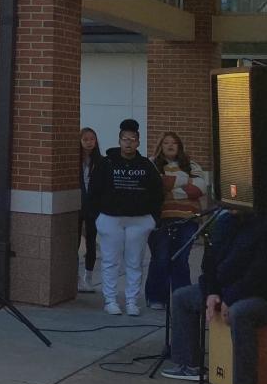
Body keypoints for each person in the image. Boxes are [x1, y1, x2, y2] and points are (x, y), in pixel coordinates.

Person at [161, 207, 267, 384]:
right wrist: (212, 292)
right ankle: (189, 364)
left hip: (259, 295)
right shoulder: (224, 223)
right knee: (181, 297)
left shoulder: (266, 226)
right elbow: (209, 264)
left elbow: (259, 273)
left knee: (239, 313)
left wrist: (229, 297)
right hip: (223, 289)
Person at [89, 118, 163, 316]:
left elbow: (157, 192)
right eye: (125, 139)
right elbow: (94, 191)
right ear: (119, 140)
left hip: (139, 220)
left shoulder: (146, 166)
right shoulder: (107, 163)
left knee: (134, 262)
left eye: (132, 139)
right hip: (110, 218)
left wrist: (153, 218)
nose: (128, 143)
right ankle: (110, 300)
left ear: (138, 142)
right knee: (110, 261)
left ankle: (131, 301)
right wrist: (96, 217)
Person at [147, 131, 209, 311]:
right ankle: (156, 297)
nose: (170, 146)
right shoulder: (152, 164)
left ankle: (182, 299)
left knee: (181, 259)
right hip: (161, 220)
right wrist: (183, 182)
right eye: (166, 143)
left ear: (179, 146)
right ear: (161, 146)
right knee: (161, 258)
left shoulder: (191, 165)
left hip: (187, 220)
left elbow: (199, 189)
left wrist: (170, 189)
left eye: (174, 143)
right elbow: (155, 187)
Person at [77, 128, 102, 293]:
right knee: (74, 242)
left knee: (91, 241)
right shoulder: (75, 160)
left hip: (93, 205)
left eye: (92, 139)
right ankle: (76, 277)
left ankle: (89, 276)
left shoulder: (99, 161)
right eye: (85, 139)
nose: (89, 142)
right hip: (78, 204)